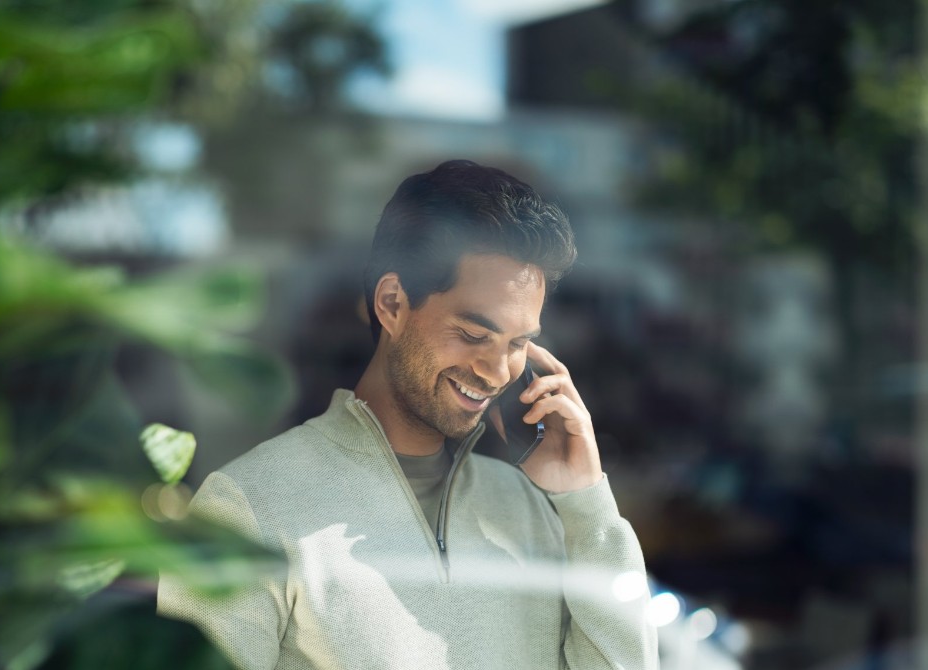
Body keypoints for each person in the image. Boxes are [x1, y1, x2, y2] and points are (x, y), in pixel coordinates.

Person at [158, 160, 658, 669]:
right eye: (473, 334)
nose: (497, 370)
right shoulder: (248, 509)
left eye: (519, 342)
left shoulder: (533, 512)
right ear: (393, 303)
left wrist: (587, 504)